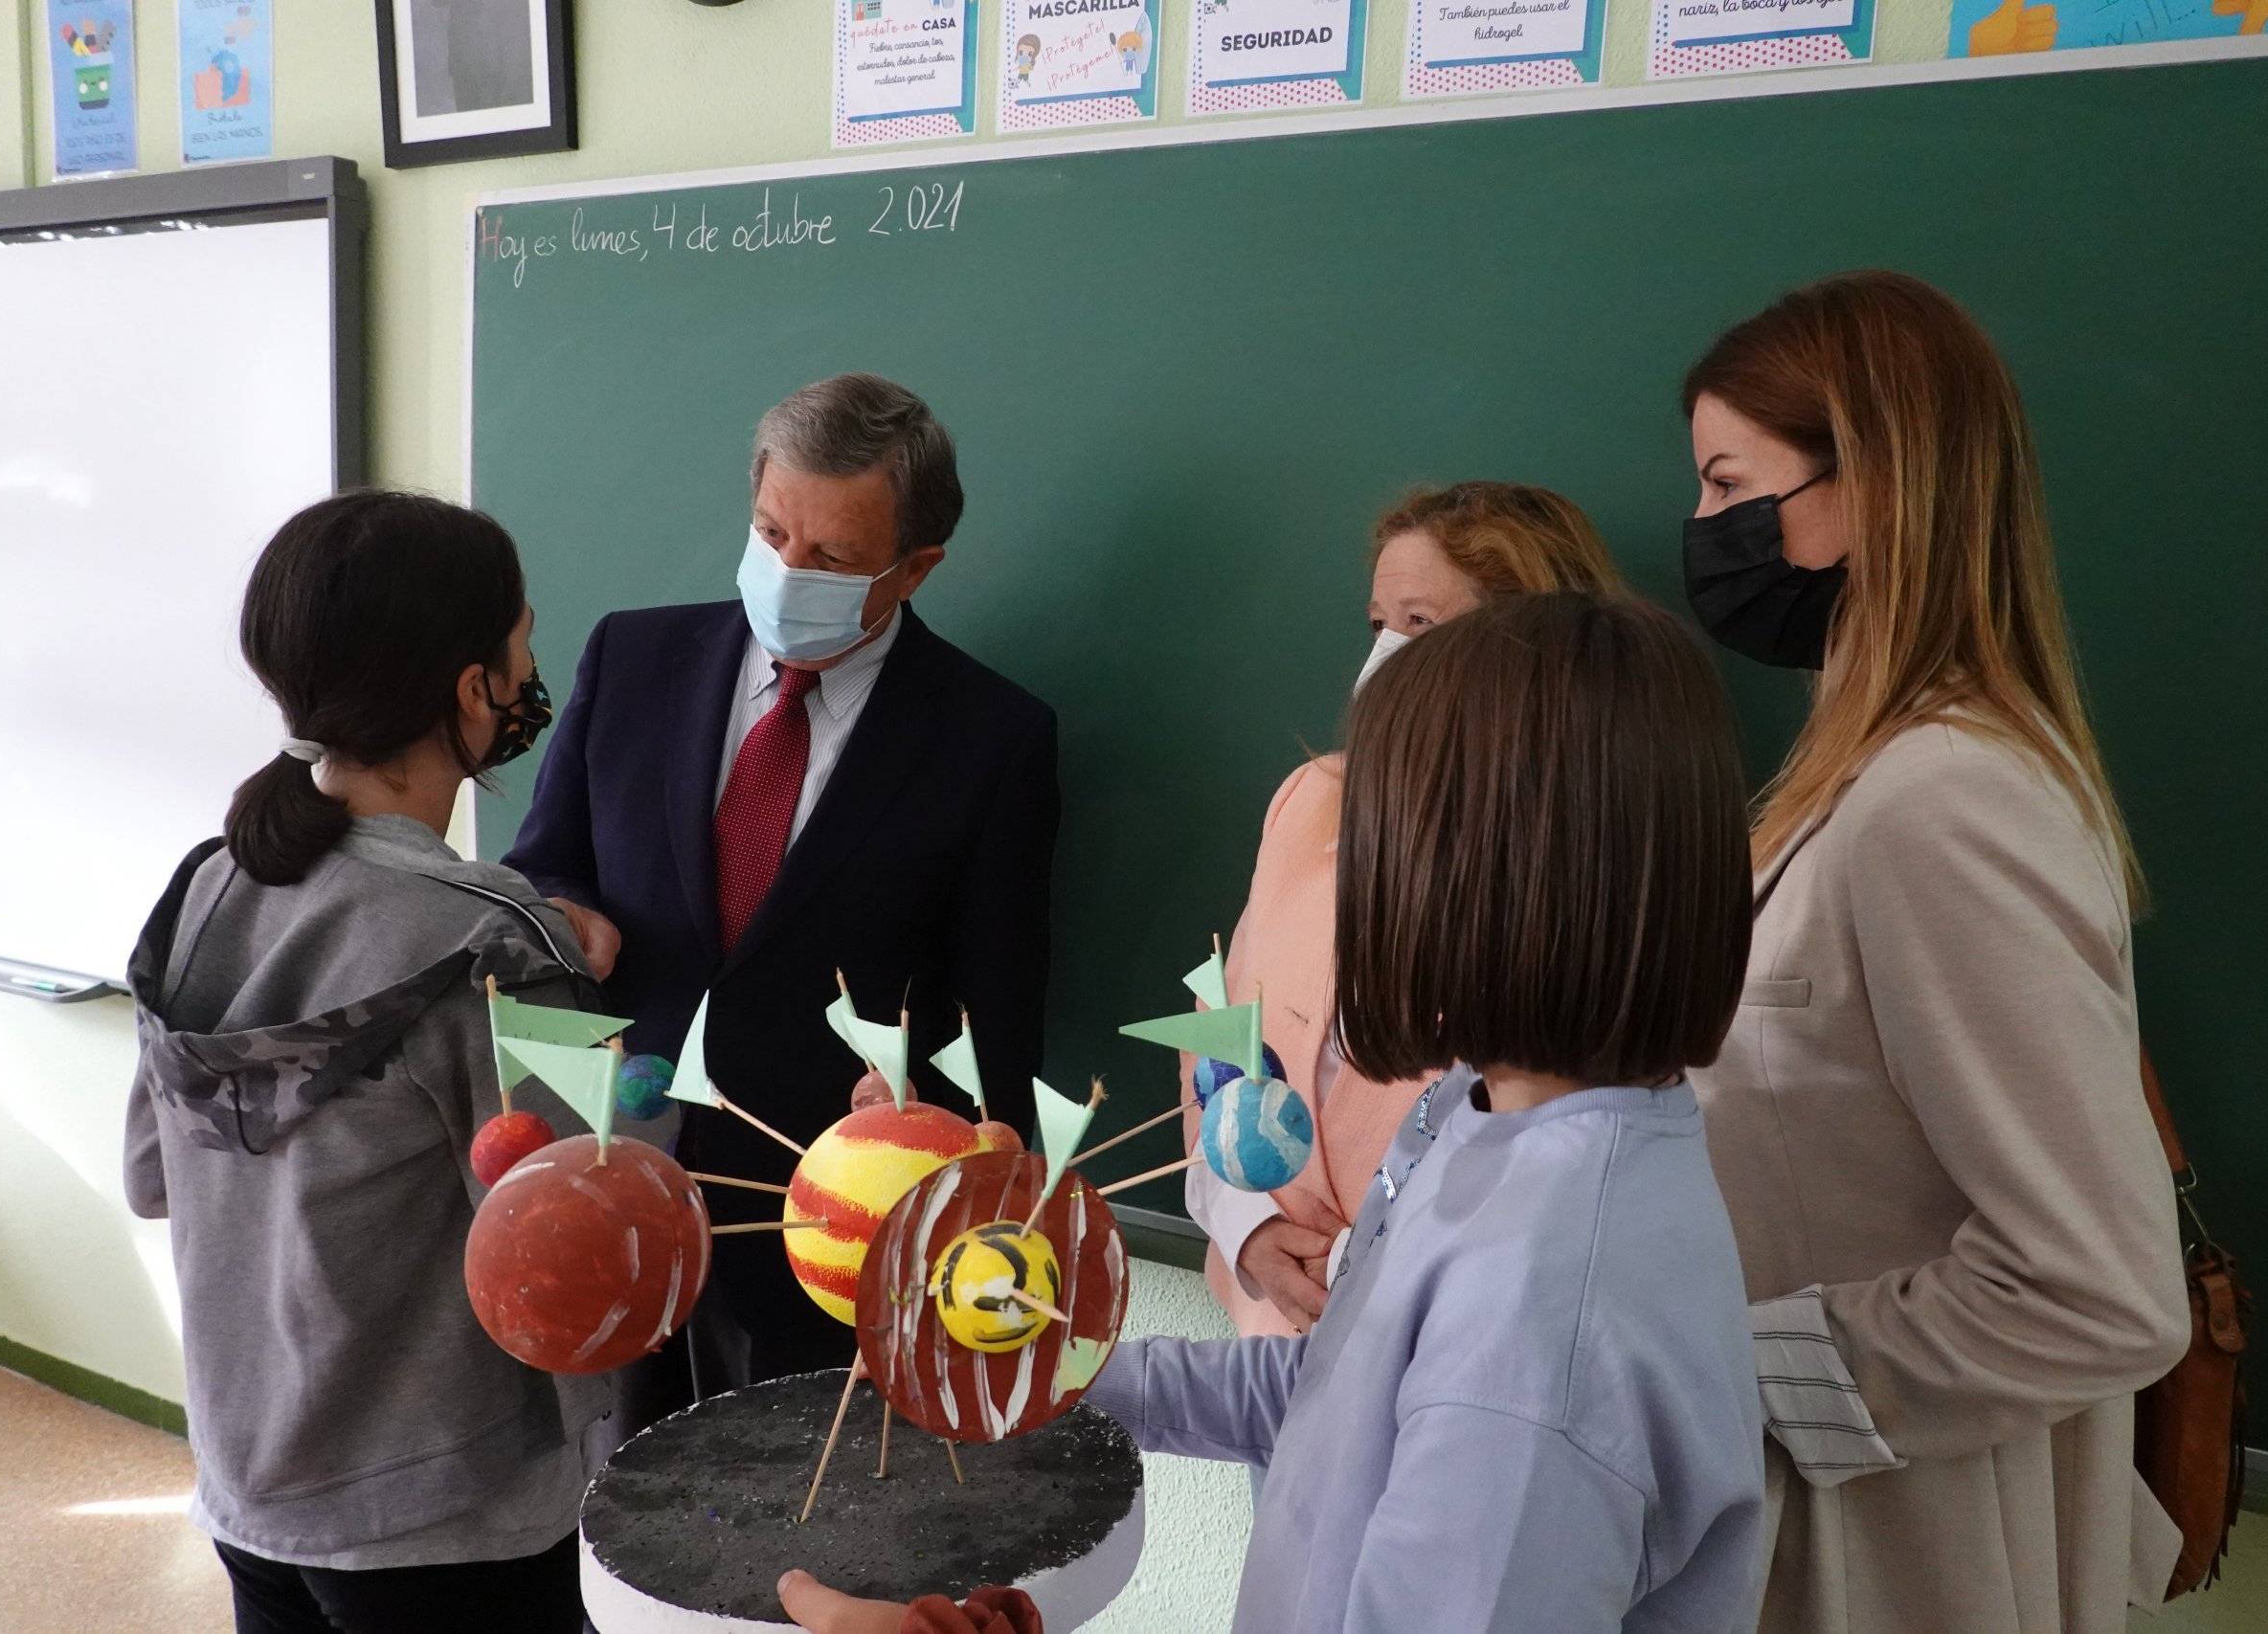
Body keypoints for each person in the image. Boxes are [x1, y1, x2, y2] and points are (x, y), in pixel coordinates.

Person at [787, 593, 1767, 1631]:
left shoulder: (1537, 1320)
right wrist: (1046, 1363)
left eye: (1374, 838)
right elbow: (1332, 1396)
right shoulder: (1479, 1114)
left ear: (1477, 882)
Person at [1677, 270, 2190, 1633]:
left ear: (1872, 486)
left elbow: (2097, 1290)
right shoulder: (1851, 778)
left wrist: (1716, 1371)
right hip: (1805, 1521)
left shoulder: (1943, 799)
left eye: (1731, 485)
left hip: (1897, 1548)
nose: (1704, 530)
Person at [505, 372, 1059, 1410]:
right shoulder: (633, 656)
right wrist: (563, 912)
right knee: (616, 1501)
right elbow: (544, 864)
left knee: (795, 1528)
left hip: (831, 1221)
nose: (789, 569)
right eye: (771, 532)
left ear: (916, 568)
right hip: (619, 1177)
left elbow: (996, 1007)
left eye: (834, 557)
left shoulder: (993, 738)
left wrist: (928, 1104)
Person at [124, 491, 609, 1634]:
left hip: (252, 1487)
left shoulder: (209, 887)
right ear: (467, 689)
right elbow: (579, 1240)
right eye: (521, 643)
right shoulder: (497, 936)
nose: (529, 669)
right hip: (452, 1512)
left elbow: (154, 1173)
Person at [1189, 481, 1627, 1340]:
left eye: (1420, 625)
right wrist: (1249, 1228)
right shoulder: (1311, 800)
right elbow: (1224, 1038)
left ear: (1531, 642)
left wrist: (1371, 1260)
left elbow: (1569, 1139)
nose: (1387, 652)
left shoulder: (1588, 858)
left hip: (1455, 1343)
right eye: (1377, 624)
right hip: (1275, 1328)